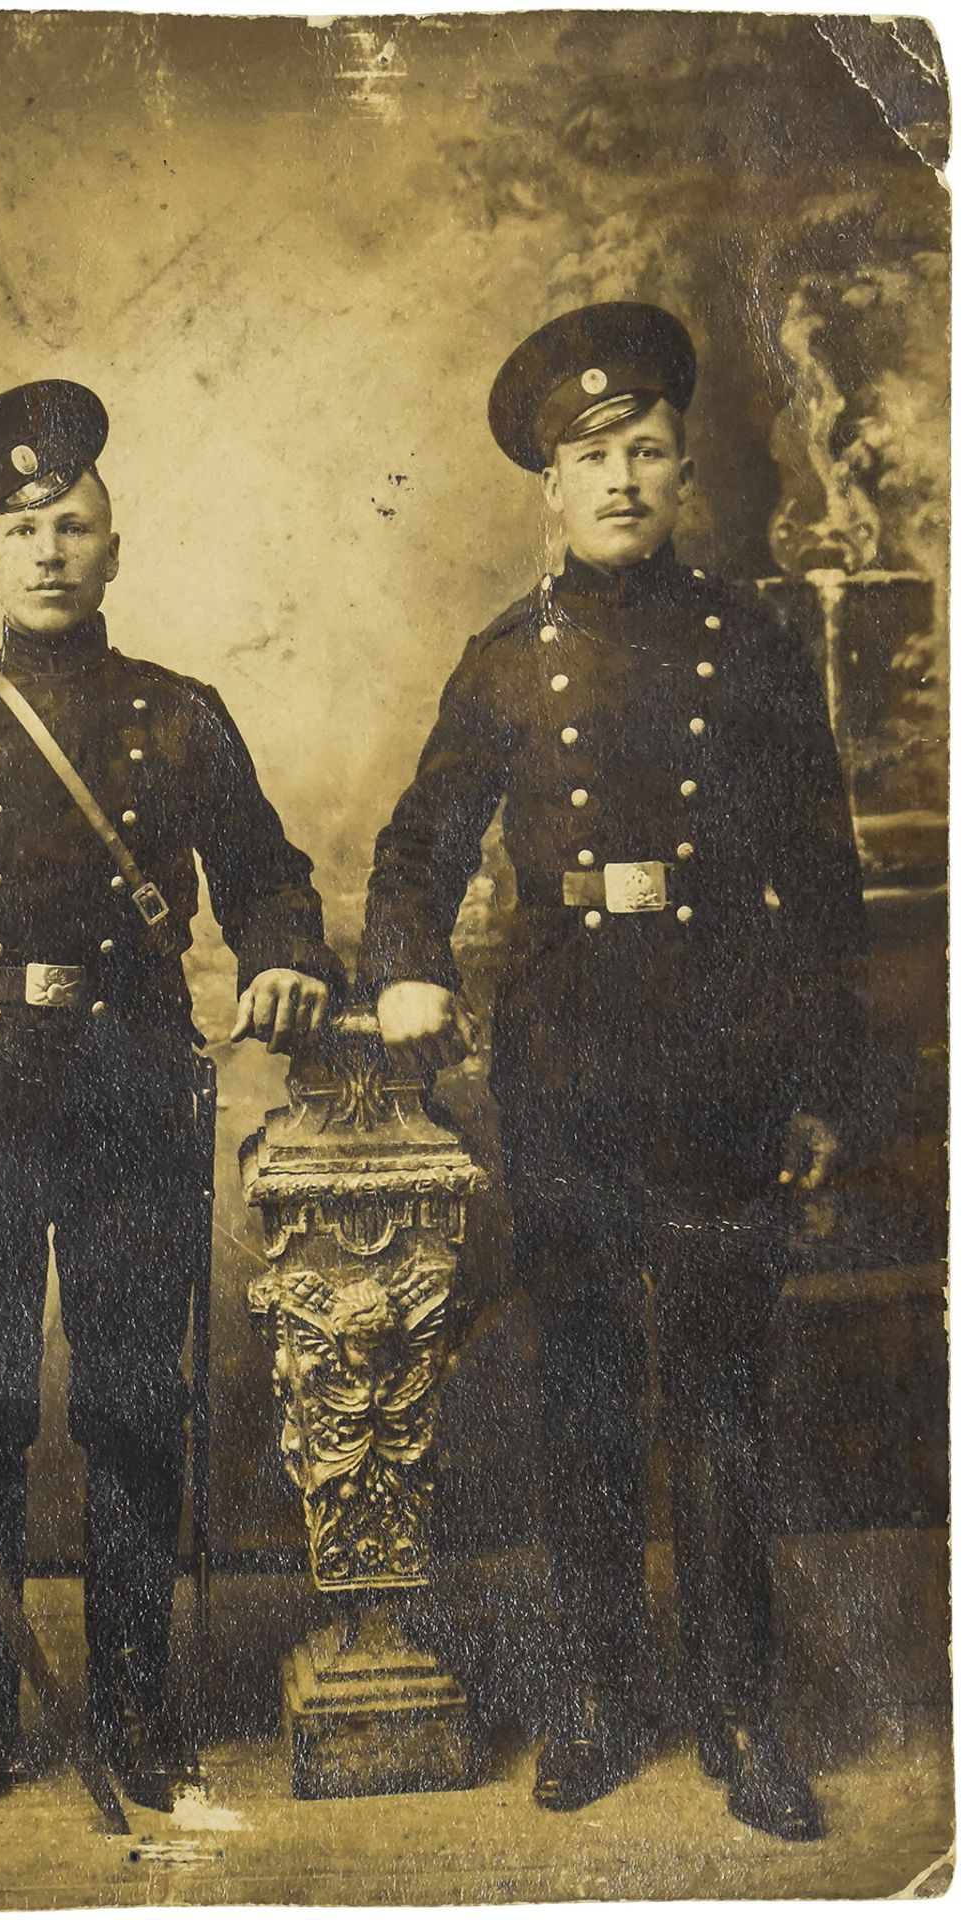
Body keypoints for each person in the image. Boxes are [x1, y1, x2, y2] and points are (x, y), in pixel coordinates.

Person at [0, 380, 342, 1839]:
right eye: (21, 527)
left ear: (115, 546)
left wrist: (286, 958)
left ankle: (136, 1716)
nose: (48, 548)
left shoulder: (181, 716)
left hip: (126, 1104)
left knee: (128, 1410)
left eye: (73, 524)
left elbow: (269, 877)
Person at [358, 303, 868, 1841]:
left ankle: (738, 1711)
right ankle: (593, 1697)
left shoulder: (753, 646)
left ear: (677, 468)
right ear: (549, 484)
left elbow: (825, 877)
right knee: (577, 1389)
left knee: (720, 1401)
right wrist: (401, 965)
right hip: (568, 1057)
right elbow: (416, 843)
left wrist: (829, 1086)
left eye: (647, 450)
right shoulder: (506, 661)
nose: (623, 479)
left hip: (724, 1053)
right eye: (594, 457)